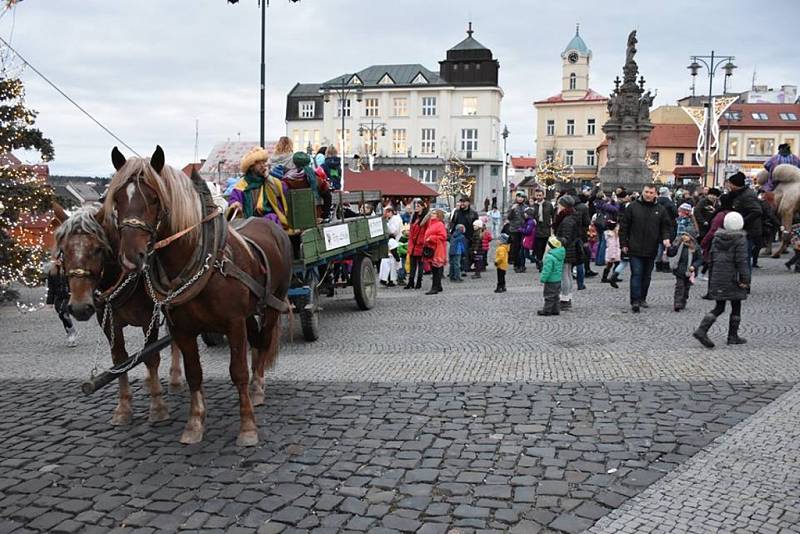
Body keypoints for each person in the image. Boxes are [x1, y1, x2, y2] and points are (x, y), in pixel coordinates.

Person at [692, 212, 751, 348]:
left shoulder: (717, 237)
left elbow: (711, 257)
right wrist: (745, 279)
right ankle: (732, 335)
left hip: (718, 276)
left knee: (719, 306)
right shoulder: (740, 239)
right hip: (733, 277)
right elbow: (741, 261)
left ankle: (702, 330)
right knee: (736, 306)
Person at [619, 184, 672, 313]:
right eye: (646, 192)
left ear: (656, 194)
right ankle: (635, 301)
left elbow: (665, 226)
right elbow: (624, 226)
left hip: (651, 247)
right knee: (636, 274)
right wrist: (624, 244)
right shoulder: (632, 207)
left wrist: (665, 238)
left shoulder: (661, 209)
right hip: (634, 247)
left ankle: (643, 298)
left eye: (651, 192)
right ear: (642, 192)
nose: (648, 195)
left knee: (647, 275)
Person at [228, 146, 290, 229]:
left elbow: (280, 190)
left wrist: (268, 177)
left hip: (266, 217)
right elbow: (234, 199)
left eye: (264, 162)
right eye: (259, 163)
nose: (263, 165)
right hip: (247, 220)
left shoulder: (267, 180)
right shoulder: (242, 184)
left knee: (272, 218)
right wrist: (235, 204)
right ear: (251, 166)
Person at [725, 171, 762, 271]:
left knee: (744, 259)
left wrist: (741, 222)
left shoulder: (747, 195)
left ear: (735, 184)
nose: (728, 185)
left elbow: (757, 211)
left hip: (748, 231)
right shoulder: (738, 193)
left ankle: (745, 282)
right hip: (742, 231)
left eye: (730, 183)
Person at [283, 151, 333, 222]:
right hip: (314, 217)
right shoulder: (315, 178)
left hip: (293, 219)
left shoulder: (287, 178)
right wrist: (325, 215)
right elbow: (327, 195)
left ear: (294, 163)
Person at [553, 195, 580, 310]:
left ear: (564, 206)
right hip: (570, 249)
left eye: (559, 204)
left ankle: (565, 300)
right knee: (567, 274)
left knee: (565, 275)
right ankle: (567, 297)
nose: (557, 207)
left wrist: (555, 240)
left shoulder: (567, 219)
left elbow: (566, 238)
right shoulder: (571, 217)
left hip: (566, 250)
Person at [46, 259, 77, 347]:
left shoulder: (70, 270)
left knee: (64, 313)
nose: (58, 261)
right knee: (61, 314)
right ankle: (70, 331)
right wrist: (50, 302)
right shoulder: (52, 272)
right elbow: (50, 288)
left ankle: (71, 334)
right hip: (58, 298)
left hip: (69, 297)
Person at [667, 231, 701, 312]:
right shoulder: (679, 244)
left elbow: (700, 259)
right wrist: (669, 247)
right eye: (683, 235)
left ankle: (683, 300)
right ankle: (677, 303)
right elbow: (671, 253)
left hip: (689, 271)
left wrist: (694, 266)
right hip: (679, 270)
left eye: (686, 235)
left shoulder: (695, 247)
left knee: (686, 288)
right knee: (680, 287)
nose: (684, 236)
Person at [449, 196, 478, 273]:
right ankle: (455, 270)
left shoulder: (473, 213)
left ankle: (463, 269)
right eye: (461, 202)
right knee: (455, 254)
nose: (462, 203)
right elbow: (452, 223)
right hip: (456, 236)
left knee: (464, 254)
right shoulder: (457, 212)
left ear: (468, 203)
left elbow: (476, 225)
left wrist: (474, 236)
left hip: (467, 236)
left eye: (464, 202)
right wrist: (451, 235)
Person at [537, 235, 565, 316]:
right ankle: (555, 309)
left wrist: (543, 278)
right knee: (556, 295)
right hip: (558, 279)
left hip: (551, 280)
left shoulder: (549, 257)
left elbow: (547, 270)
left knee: (549, 295)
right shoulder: (560, 254)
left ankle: (547, 310)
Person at [404, 199, 428, 290]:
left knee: (420, 265)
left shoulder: (425, 219)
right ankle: (411, 282)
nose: (416, 208)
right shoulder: (414, 217)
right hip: (413, 244)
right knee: (412, 265)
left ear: (422, 207)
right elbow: (411, 230)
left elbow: (426, 231)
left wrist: (422, 241)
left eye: (418, 206)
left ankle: (418, 282)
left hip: (420, 244)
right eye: (416, 206)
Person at [423, 209, 448, 295]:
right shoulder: (431, 223)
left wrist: (432, 238)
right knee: (434, 268)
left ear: (438, 215)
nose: (432, 215)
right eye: (432, 213)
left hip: (437, 249)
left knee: (436, 268)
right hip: (431, 248)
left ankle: (435, 287)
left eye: (434, 213)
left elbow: (443, 236)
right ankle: (438, 286)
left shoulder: (439, 224)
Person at [530, 188, 554, 270]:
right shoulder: (533, 205)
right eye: (537, 195)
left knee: (544, 246)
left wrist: (552, 224)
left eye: (540, 195)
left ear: (543, 195)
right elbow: (530, 216)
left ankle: (543, 261)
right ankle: (539, 262)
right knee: (538, 247)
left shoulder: (548, 204)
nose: (538, 197)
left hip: (546, 228)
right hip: (536, 229)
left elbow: (553, 215)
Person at [655, 186, 678, 273]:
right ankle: (666, 264)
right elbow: (676, 213)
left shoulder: (656, 202)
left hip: (657, 225)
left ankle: (658, 264)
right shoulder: (669, 202)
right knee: (667, 245)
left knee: (660, 246)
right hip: (669, 226)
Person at [507, 192, 527, 272]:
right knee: (515, 247)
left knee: (523, 248)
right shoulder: (512, 206)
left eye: (522, 197)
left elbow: (528, 217)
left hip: (523, 229)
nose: (520, 198)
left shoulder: (526, 207)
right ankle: (516, 264)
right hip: (514, 230)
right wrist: (512, 209)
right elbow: (509, 217)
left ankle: (522, 264)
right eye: (519, 197)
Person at [602, 219, 621, 284]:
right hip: (613, 253)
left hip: (613, 253)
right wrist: (613, 256)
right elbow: (612, 246)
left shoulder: (611, 234)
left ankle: (609, 277)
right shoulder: (612, 236)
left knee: (612, 265)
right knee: (612, 265)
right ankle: (611, 277)